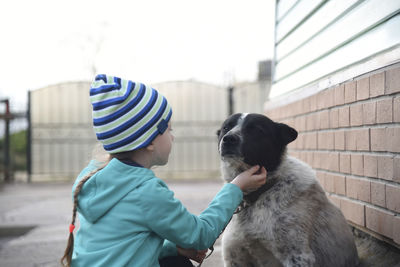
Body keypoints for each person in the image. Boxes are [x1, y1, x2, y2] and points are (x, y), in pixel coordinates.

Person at [60, 74, 267, 267]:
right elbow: (201, 234)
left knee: (175, 257)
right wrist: (235, 188)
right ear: (149, 141)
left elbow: (121, 245)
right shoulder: (145, 192)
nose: (173, 136)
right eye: (169, 129)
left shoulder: (94, 177)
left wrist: (173, 247)